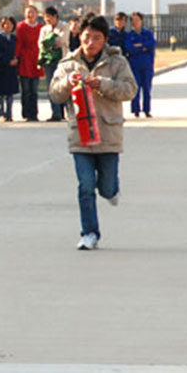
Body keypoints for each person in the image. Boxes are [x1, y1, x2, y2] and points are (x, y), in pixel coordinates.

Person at [49, 15, 137, 250]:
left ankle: (112, 190)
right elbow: (55, 93)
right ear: (79, 37)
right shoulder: (68, 64)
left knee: (106, 187)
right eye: (87, 37)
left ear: (105, 39)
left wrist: (104, 84)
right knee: (85, 186)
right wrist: (67, 82)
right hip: (81, 135)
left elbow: (130, 89)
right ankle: (89, 233)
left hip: (107, 133)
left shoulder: (117, 62)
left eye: (97, 38)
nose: (91, 42)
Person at [39, 6, 70, 121]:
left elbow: (61, 40)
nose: (47, 20)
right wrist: (50, 42)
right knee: (51, 87)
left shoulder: (64, 26)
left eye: (49, 18)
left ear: (55, 16)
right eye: (45, 18)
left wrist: (49, 42)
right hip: (49, 61)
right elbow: (41, 43)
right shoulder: (44, 29)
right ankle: (56, 113)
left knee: (64, 86)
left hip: (62, 60)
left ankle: (67, 112)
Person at [16, 5, 44, 122]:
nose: (30, 15)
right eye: (28, 12)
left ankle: (34, 114)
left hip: (36, 59)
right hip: (25, 59)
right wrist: (17, 57)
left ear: (36, 14)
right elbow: (18, 43)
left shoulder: (41, 28)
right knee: (26, 90)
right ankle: (26, 113)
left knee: (34, 90)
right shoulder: (21, 26)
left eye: (32, 12)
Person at [125, 12, 156, 118]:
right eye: (133, 20)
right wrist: (143, 48)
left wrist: (140, 46)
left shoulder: (147, 33)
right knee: (135, 88)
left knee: (147, 88)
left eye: (137, 20)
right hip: (134, 65)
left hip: (147, 65)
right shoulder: (129, 35)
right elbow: (129, 48)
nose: (135, 22)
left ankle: (147, 110)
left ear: (141, 21)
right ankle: (136, 110)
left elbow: (151, 44)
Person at [0, 16, 19, 121]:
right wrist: (7, 61)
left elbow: (18, 51)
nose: (8, 26)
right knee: (1, 93)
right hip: (1, 68)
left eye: (10, 24)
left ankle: (9, 113)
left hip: (12, 70)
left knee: (10, 93)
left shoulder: (14, 38)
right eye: (5, 24)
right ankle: (1, 113)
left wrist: (17, 59)